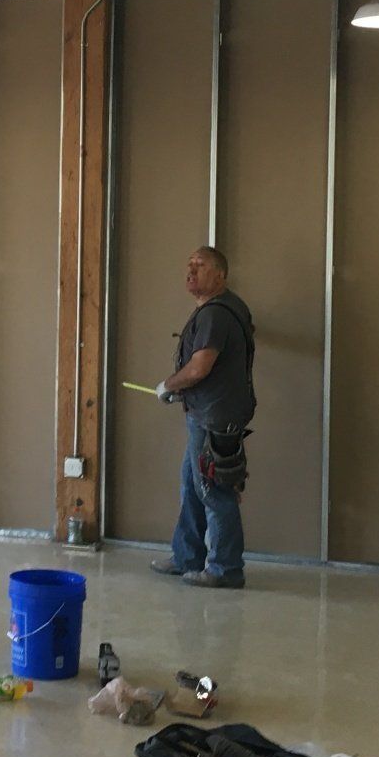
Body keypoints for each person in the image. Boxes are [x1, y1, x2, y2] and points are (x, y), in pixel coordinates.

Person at [150, 246, 256, 589]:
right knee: (192, 485)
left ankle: (226, 569)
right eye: (189, 265)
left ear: (220, 275)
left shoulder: (215, 314)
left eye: (201, 266)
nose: (191, 271)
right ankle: (187, 557)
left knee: (213, 490)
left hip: (214, 418)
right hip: (208, 414)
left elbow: (199, 367)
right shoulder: (227, 307)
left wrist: (168, 384)